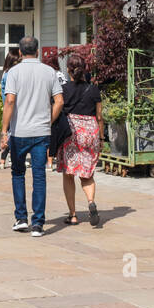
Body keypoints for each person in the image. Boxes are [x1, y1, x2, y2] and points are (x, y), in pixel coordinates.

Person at [0, 36, 64, 237]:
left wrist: (4, 131)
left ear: (20, 52)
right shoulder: (49, 72)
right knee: (39, 176)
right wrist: (48, 121)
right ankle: (37, 223)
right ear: (38, 51)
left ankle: (21, 218)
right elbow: (59, 101)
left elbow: (10, 101)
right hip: (41, 131)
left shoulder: (14, 72)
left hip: (20, 131)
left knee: (18, 174)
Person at [55, 51, 101, 227]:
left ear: (68, 70)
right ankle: (90, 202)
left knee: (69, 174)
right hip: (90, 131)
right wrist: (102, 137)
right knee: (87, 173)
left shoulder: (64, 89)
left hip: (71, 132)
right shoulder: (93, 89)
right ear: (84, 69)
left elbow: (58, 108)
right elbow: (100, 115)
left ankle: (73, 215)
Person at [0, 46, 21, 169]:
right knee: (12, 134)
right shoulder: (10, 74)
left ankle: (4, 159)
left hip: (8, 107)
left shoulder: (6, 72)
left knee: (11, 134)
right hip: (13, 107)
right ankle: (4, 158)